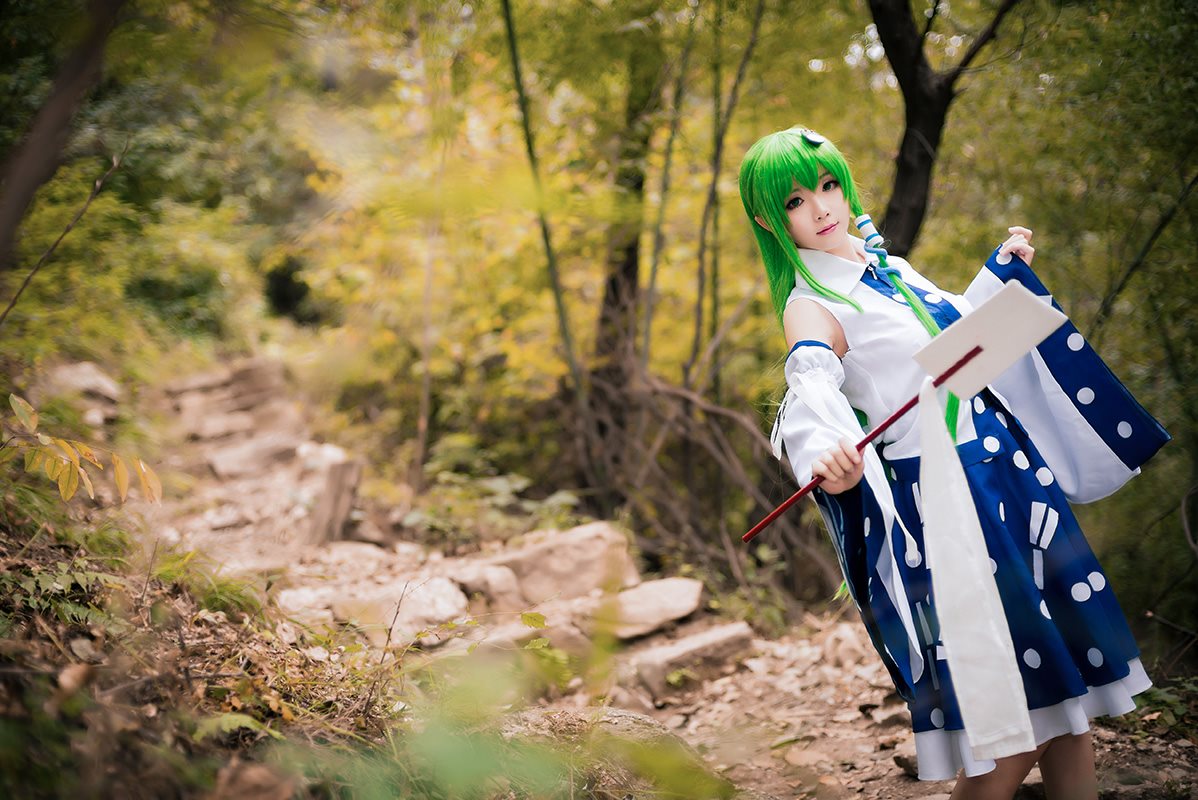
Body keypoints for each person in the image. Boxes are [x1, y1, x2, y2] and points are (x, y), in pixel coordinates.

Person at [738, 126, 1170, 799]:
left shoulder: (887, 266)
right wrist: (824, 449)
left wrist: (1000, 272)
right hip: (953, 503)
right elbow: (811, 382)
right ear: (770, 220)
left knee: (1069, 707)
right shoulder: (811, 306)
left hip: (1008, 476)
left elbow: (954, 344)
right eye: (795, 201)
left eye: (827, 186)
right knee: (1024, 722)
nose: (820, 207)